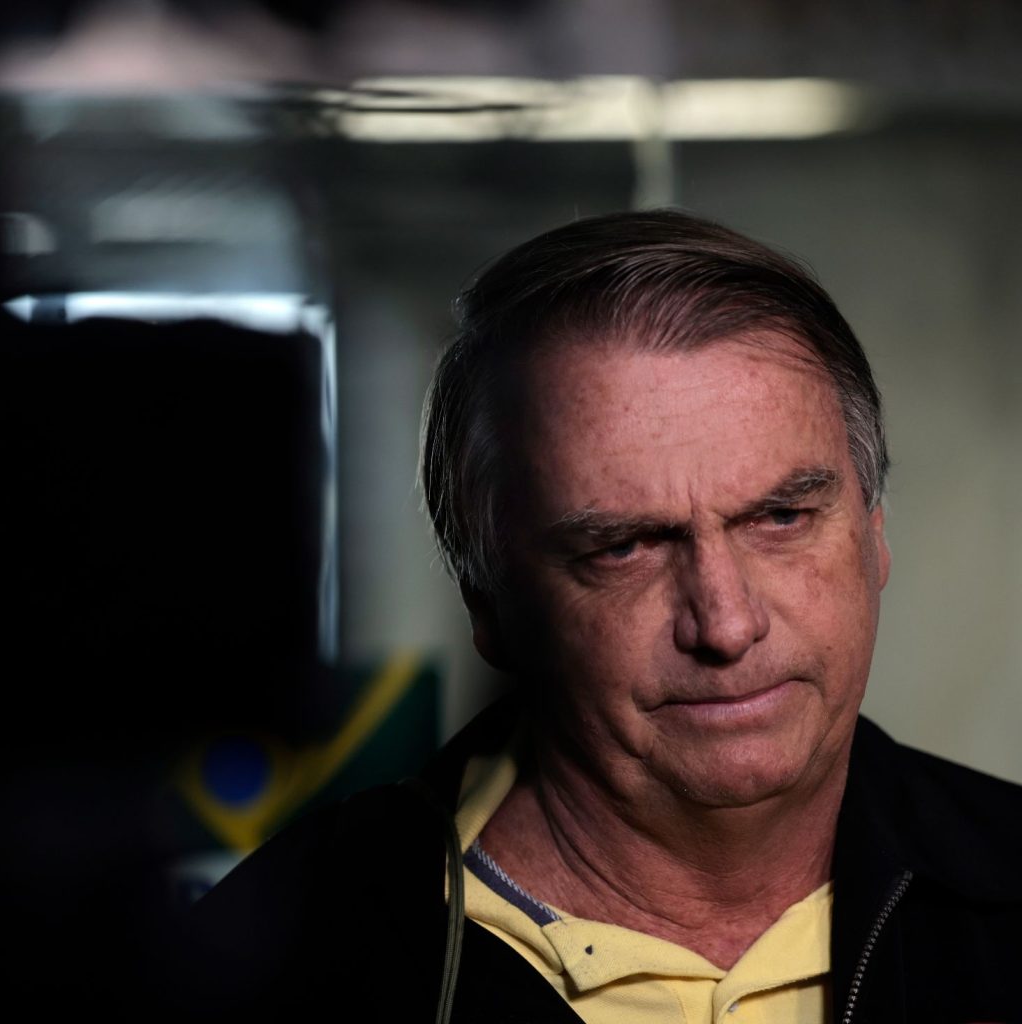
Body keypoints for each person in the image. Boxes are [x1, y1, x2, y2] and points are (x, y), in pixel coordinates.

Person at [187, 210, 1022, 1024]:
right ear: (488, 601)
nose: (725, 626)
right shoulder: (280, 965)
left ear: (874, 534)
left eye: (780, 518)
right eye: (624, 548)